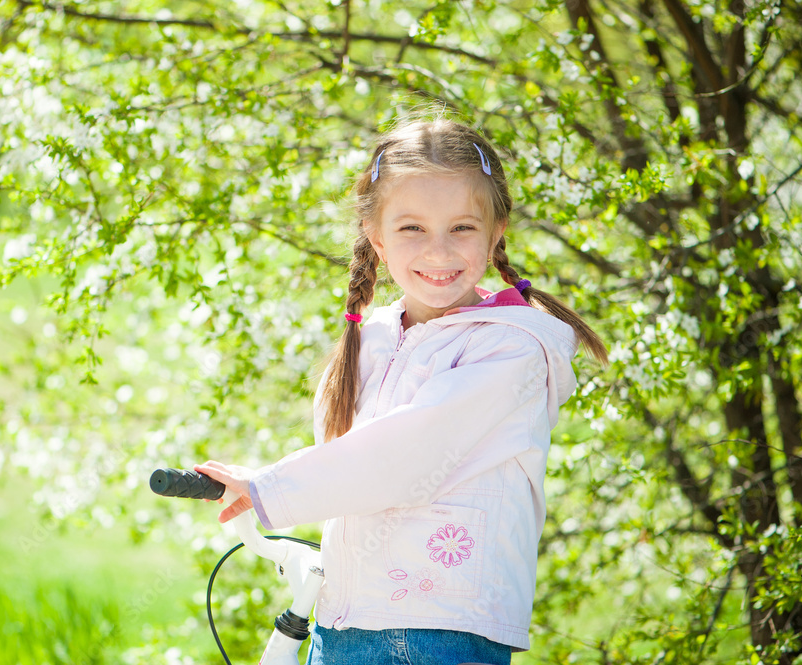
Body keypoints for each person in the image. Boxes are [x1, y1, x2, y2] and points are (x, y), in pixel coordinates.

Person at [195, 117, 607, 665]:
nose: (439, 252)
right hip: (346, 619)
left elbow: (410, 454)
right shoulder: (374, 341)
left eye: (461, 228)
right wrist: (267, 486)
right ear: (377, 238)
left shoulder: (510, 349)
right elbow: (350, 464)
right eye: (412, 229)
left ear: (496, 231)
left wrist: (269, 489)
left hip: (437, 629)